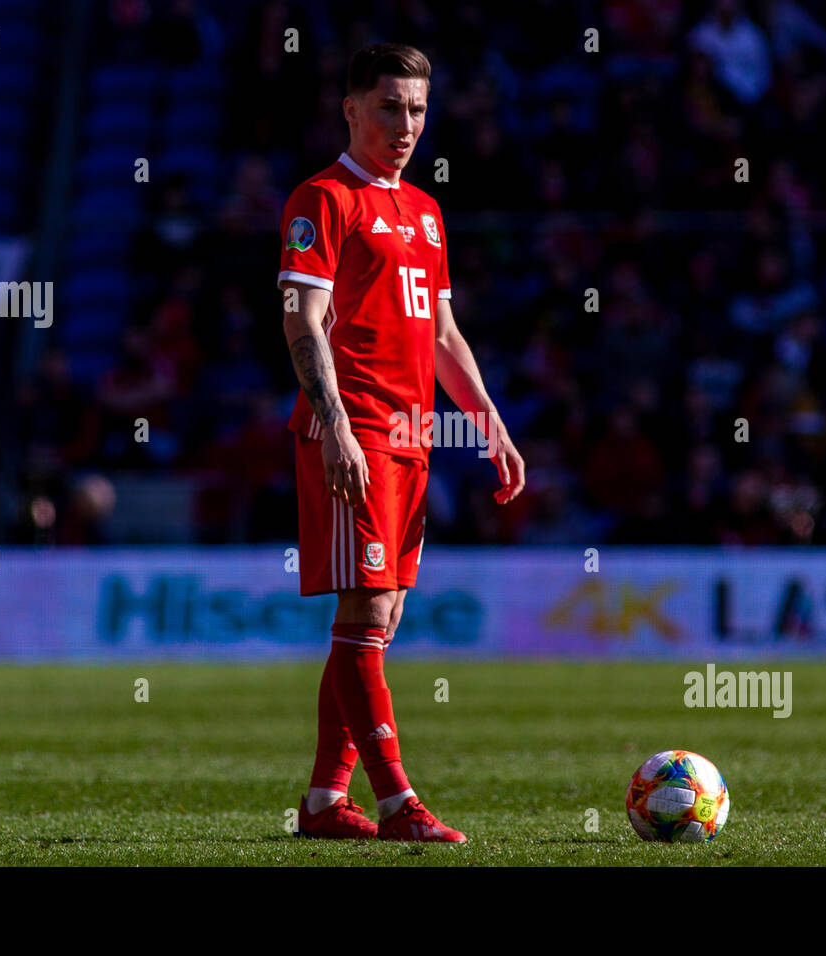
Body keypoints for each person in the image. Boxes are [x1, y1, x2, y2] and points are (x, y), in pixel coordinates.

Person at [278, 43, 524, 842]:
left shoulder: (424, 209)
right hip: (355, 431)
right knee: (369, 605)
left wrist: (488, 421)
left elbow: (443, 331)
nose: (406, 124)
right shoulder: (322, 198)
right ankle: (396, 802)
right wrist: (339, 428)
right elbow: (302, 323)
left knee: (378, 620)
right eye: (389, 106)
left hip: (413, 435)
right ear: (350, 109)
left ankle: (322, 802)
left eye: (417, 108)